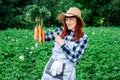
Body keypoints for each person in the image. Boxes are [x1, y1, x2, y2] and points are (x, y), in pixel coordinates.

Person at [41, 7, 89, 80]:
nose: (68, 22)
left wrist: (62, 44)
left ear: (78, 21)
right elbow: (45, 38)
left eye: (71, 19)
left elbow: (75, 58)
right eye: (66, 19)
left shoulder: (83, 38)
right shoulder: (61, 31)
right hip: (51, 68)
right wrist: (38, 26)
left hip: (66, 72)